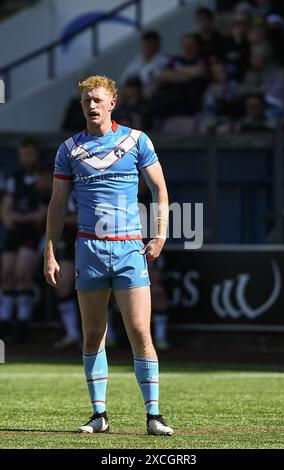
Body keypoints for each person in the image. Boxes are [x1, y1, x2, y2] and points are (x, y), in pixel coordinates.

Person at [44, 75, 173, 436]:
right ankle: (99, 414)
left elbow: (160, 191)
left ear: (112, 103)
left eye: (98, 100)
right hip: (89, 249)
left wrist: (160, 235)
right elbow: (57, 205)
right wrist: (50, 251)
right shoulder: (69, 149)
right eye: (86, 101)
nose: (92, 106)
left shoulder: (136, 141)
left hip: (130, 247)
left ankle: (154, 415)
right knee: (92, 335)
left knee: (139, 332)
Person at [0, 137, 44, 343]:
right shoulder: (14, 179)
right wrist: (16, 218)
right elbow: (6, 213)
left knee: (21, 276)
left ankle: (22, 325)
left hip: (33, 233)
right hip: (16, 232)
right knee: (6, 275)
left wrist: (23, 218)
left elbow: (42, 214)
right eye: (23, 154)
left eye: (30, 153)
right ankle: (5, 322)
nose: (26, 158)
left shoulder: (46, 177)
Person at [35, 166, 81, 349]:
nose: (39, 184)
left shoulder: (74, 189)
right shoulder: (45, 196)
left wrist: (55, 217)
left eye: (43, 178)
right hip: (68, 245)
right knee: (62, 286)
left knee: (100, 287)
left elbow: (79, 216)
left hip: (88, 241)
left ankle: (106, 336)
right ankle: (72, 333)